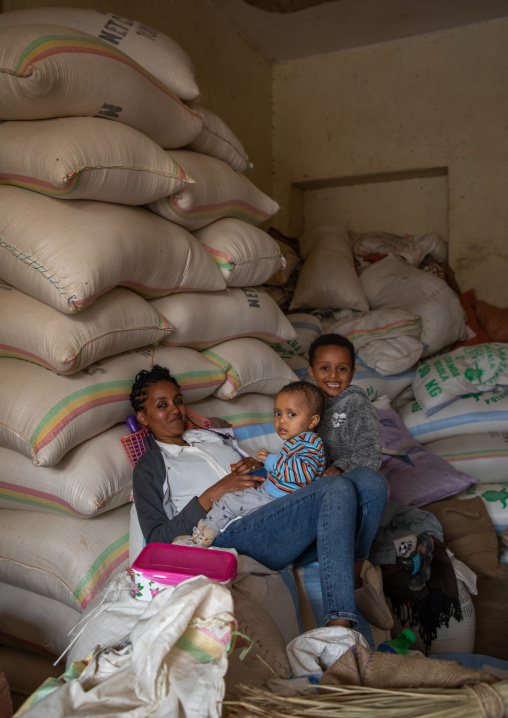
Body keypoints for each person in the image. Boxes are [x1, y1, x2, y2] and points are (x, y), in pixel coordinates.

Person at [131, 364, 386, 628]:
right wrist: (213, 493)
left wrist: (258, 468)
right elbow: (156, 540)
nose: (175, 409)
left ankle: (356, 582)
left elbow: (270, 475)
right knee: (336, 488)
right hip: (230, 532)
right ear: (143, 417)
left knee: (370, 481)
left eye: (178, 401)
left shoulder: (211, 438)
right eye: (162, 405)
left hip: (272, 508)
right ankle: (339, 626)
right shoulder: (150, 466)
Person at [308, 333, 431, 590]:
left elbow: (370, 454)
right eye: (324, 368)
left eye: (341, 369)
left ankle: (356, 570)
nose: (333, 375)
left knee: (361, 525)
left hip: (354, 481)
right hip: (318, 486)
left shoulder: (355, 403)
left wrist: (339, 467)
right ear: (311, 372)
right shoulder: (305, 402)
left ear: (352, 374)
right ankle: (402, 549)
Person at [189, 381, 326, 547]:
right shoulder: (299, 442)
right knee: (238, 505)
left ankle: (203, 537)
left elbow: (303, 474)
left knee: (229, 501)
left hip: (279, 501)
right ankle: (210, 528)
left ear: (312, 421)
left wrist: (270, 460)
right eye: (277, 413)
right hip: (276, 496)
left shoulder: (308, 443)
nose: (282, 420)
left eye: (291, 415)